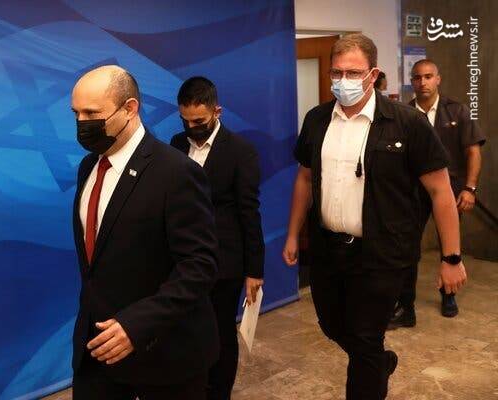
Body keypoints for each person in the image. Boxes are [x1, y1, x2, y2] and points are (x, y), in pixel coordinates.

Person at [282, 34, 467, 400]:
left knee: (366, 339)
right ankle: (379, 362)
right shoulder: (317, 119)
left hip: (381, 254)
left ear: (373, 74)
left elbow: (440, 191)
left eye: (353, 73)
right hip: (328, 250)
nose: (343, 80)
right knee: (332, 326)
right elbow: (304, 177)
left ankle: (372, 366)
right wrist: (292, 234)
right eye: (337, 72)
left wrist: (451, 258)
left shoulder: (407, 122)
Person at [70, 65, 219, 400]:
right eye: (75, 113)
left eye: (92, 113)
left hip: (163, 358)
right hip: (96, 355)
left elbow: (199, 266)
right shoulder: (89, 167)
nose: (81, 122)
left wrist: (137, 325)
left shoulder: (176, 172)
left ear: (130, 108)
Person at [170, 77, 265, 400]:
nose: (191, 127)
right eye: (185, 120)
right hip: (183, 259)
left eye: (199, 121)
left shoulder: (240, 151)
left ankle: (218, 392)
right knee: (187, 330)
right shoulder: (176, 144)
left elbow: (249, 212)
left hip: (224, 262)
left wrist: (254, 270)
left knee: (221, 332)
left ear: (217, 111)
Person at [388, 59, 486, 328]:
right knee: (407, 247)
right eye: (417, 77)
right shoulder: (403, 114)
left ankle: (448, 296)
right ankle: (405, 307)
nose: (423, 82)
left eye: (428, 76)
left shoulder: (457, 111)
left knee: (449, 245)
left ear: (438, 79)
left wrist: (470, 188)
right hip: (412, 192)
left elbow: (473, 152)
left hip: (450, 190)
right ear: (412, 81)